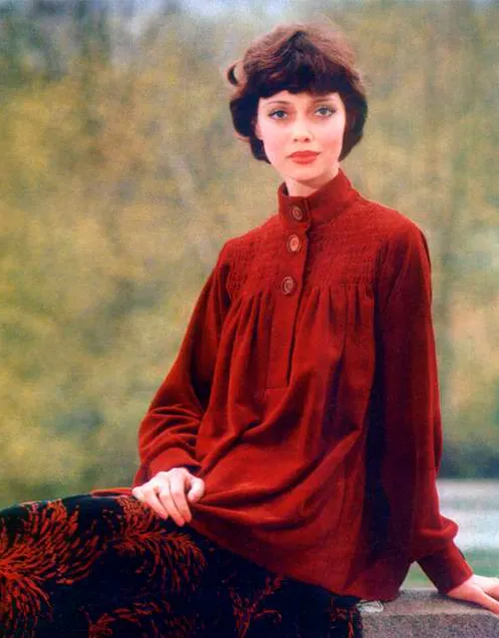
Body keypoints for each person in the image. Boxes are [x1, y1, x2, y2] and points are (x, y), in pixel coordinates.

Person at [1, 20, 498, 638]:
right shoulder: (240, 258)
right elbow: (179, 403)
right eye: (281, 113)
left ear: (348, 120)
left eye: (321, 110)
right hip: (212, 508)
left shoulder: (392, 243)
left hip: (318, 541)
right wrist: (170, 466)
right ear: (255, 128)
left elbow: (409, 425)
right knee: (19, 543)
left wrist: (445, 565)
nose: (302, 131)